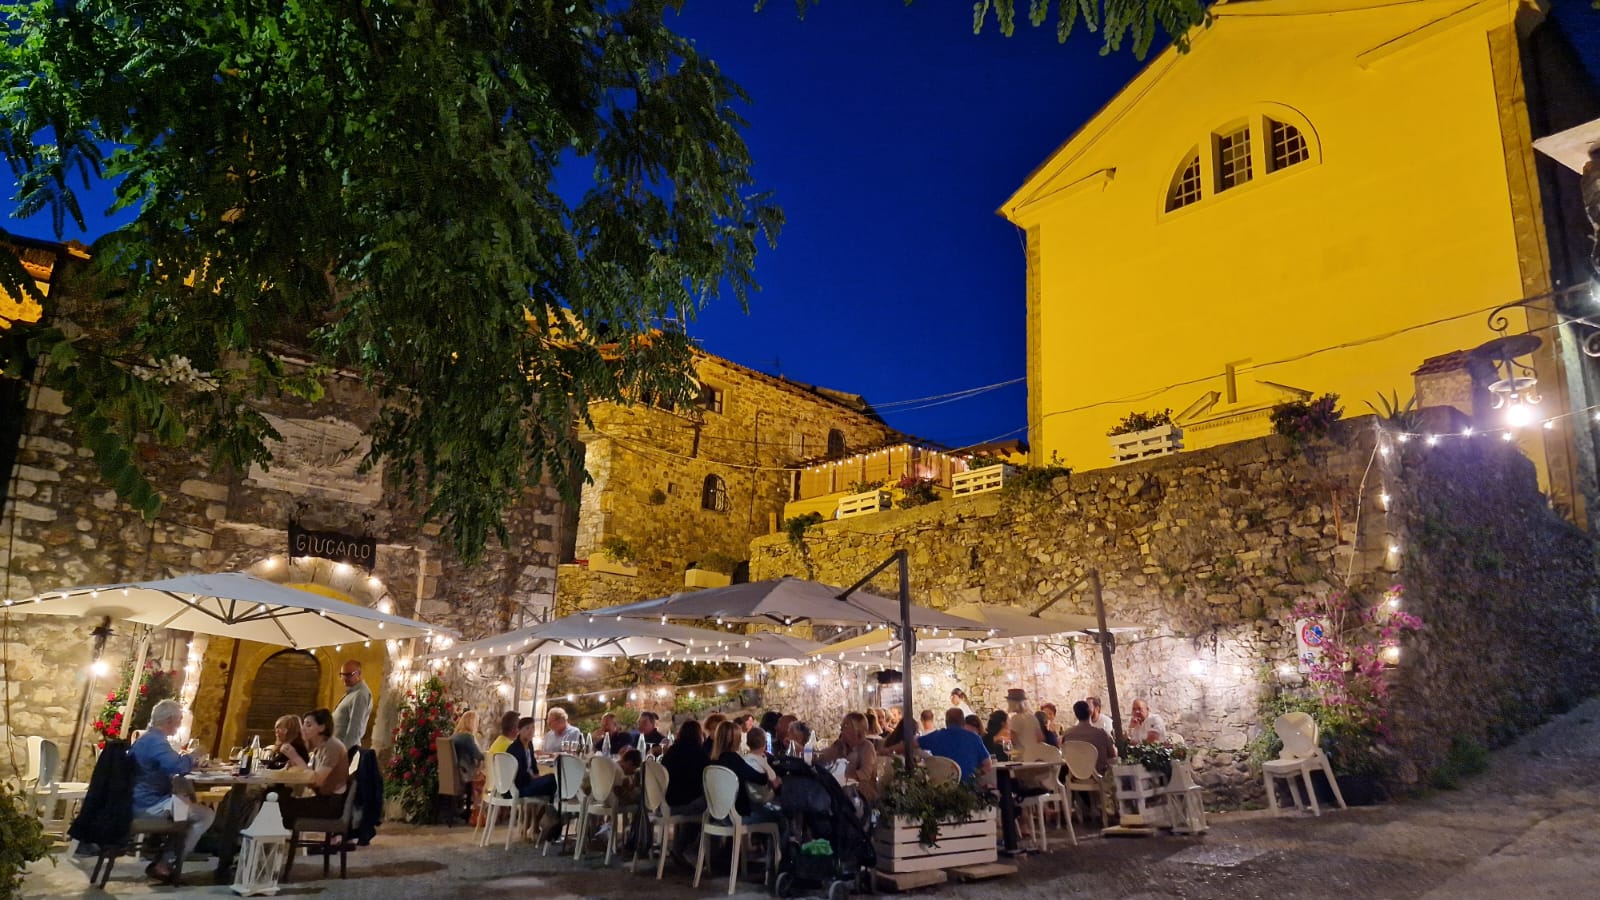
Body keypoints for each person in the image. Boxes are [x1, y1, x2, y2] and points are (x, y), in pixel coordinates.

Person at [129, 699, 216, 883]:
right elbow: (177, 766)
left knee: (184, 805)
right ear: (169, 720)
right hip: (148, 806)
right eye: (179, 720)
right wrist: (195, 754)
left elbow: (171, 765)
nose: (179, 724)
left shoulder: (148, 739)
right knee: (204, 814)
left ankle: (165, 859)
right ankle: (166, 863)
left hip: (139, 799)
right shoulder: (156, 742)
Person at [278, 708, 352, 828]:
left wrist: (296, 757)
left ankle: (276, 843)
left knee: (277, 804)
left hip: (331, 804)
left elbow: (317, 780)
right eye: (303, 724)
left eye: (308, 725)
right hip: (322, 799)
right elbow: (311, 776)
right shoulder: (319, 748)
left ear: (322, 728)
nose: (303, 728)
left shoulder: (332, 747)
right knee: (279, 796)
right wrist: (294, 765)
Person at [709, 721, 784, 834]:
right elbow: (760, 779)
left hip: (717, 814)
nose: (740, 740)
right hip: (736, 817)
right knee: (781, 815)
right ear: (734, 740)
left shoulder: (712, 763)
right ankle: (778, 850)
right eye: (739, 737)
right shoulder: (735, 760)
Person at [661, 719, 708, 864]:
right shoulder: (699, 753)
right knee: (709, 806)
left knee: (699, 805)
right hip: (682, 803)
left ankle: (681, 847)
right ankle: (687, 849)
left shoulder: (671, 752)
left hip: (665, 802)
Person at [817, 712, 879, 803]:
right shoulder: (840, 745)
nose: (841, 728)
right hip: (842, 788)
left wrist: (842, 777)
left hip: (862, 793)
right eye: (842, 725)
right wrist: (808, 753)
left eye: (846, 725)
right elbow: (823, 756)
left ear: (857, 729)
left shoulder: (867, 746)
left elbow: (865, 773)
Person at [916, 708, 991, 782]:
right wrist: (974, 777)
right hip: (968, 789)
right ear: (963, 722)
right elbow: (988, 765)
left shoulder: (935, 736)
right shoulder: (974, 738)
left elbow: (911, 744)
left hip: (941, 787)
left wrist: (925, 756)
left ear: (946, 722)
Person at [1061, 700, 1116, 775]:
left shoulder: (1067, 734)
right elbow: (1113, 755)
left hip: (1075, 777)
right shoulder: (1102, 734)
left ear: (1076, 715)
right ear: (1090, 712)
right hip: (1099, 776)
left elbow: (1064, 754)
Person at [331, 660, 372, 749]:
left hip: (344, 750)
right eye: (342, 674)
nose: (344, 678)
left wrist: (345, 754)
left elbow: (355, 729)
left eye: (349, 675)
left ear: (359, 673)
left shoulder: (360, 694)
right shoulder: (352, 692)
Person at [451, 710, 485, 785]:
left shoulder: (454, 736)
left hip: (455, 775)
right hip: (466, 774)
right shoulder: (467, 737)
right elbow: (478, 756)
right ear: (473, 723)